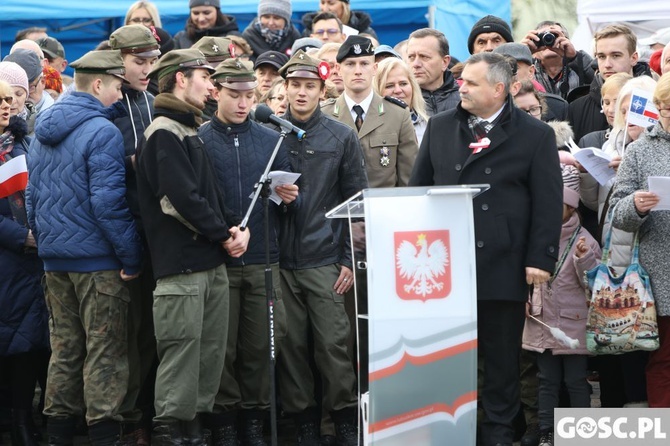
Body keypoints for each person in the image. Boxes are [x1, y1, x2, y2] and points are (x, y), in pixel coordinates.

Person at [409, 52, 563, 446]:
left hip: (504, 263)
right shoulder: (441, 128)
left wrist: (539, 259)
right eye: (461, 81)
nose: (461, 87)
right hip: (446, 265)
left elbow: (548, 201)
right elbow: (417, 191)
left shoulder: (535, 134)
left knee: (500, 361)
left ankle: (496, 435)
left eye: (471, 83)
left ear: (499, 89)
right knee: (448, 356)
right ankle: (452, 431)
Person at [25, 49, 143, 446]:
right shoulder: (102, 132)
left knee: (65, 350)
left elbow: (31, 200)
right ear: (98, 84)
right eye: (115, 87)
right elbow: (108, 204)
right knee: (105, 352)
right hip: (98, 263)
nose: (118, 96)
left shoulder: (42, 127)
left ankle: (57, 434)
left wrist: (45, 244)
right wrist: (131, 256)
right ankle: (104, 435)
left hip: (54, 260)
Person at [135, 48, 249, 444]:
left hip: (208, 263)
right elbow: (179, 199)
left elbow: (204, 195)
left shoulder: (186, 128)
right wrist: (224, 234)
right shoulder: (164, 131)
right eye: (205, 76)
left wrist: (228, 232)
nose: (210, 85)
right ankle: (172, 432)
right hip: (181, 268)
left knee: (209, 356)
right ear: (181, 78)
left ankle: (194, 431)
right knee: (183, 355)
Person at [198, 57, 297, 446]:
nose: (242, 103)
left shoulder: (272, 141)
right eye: (234, 94)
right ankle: (224, 423)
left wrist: (289, 198)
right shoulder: (200, 139)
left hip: (262, 261)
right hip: (217, 260)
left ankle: (254, 422)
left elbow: (287, 204)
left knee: (261, 347)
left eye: (248, 95)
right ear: (217, 92)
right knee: (220, 350)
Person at [275, 49, 368, 446]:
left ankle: (346, 423)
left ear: (321, 89)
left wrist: (348, 258)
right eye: (294, 85)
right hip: (279, 260)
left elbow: (356, 203)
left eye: (308, 86)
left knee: (333, 345)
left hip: (325, 257)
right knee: (292, 348)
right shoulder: (269, 133)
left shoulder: (341, 135)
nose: (300, 92)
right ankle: (305, 425)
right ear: (285, 88)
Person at [108, 23, 162, 443]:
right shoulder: (107, 104)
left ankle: (145, 414)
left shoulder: (150, 100)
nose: (147, 69)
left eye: (151, 61)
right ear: (118, 61)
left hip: (153, 232)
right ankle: (127, 420)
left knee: (151, 333)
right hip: (120, 235)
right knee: (125, 336)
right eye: (138, 62)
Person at [522, 165, 601, 446]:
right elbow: (527, 276)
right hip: (543, 322)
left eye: (561, 204)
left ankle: (580, 431)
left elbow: (593, 282)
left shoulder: (584, 239)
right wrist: (525, 298)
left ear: (571, 206)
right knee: (546, 380)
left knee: (577, 381)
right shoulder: (536, 235)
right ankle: (546, 429)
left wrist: (583, 259)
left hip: (574, 322)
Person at [608, 73, 670, 408]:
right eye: (669, 109)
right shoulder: (639, 150)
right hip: (661, 272)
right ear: (657, 108)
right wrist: (636, 205)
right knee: (663, 362)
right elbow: (618, 211)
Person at [0, 79, 49, 446]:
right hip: (8, 257)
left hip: (32, 262)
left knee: (30, 342)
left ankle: (26, 419)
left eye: (9, 98)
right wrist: (20, 237)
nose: (5, 105)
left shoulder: (25, 142)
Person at [322, 35, 419, 188]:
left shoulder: (398, 115)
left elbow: (409, 179)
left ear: (374, 68)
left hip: (384, 208)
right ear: (339, 70)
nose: (358, 71)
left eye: (364, 63)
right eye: (350, 64)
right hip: (339, 209)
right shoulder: (324, 115)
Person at [568, 24, 652, 142]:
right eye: (601, 56)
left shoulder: (655, 101)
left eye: (616, 55)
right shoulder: (577, 108)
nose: (607, 64)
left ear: (633, 58)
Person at [521, 21, 594, 100]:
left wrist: (575, 57)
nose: (548, 42)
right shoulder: (525, 70)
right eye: (542, 37)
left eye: (555, 36)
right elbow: (507, 83)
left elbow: (602, 81)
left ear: (567, 42)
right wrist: (519, 54)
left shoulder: (580, 67)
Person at [374, 57, 429, 144]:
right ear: (377, 90)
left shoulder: (429, 125)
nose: (398, 90)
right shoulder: (369, 127)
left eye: (403, 84)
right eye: (389, 86)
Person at [405, 28, 459, 116]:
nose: (416, 64)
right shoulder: (400, 101)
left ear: (445, 62)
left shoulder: (466, 99)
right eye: (411, 57)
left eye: (424, 57)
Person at [173, 0, 240, 49]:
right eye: (196, 13)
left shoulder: (233, 37)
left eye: (206, 13)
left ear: (217, 12)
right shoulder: (181, 38)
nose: (201, 19)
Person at [301, 0, 376, 39]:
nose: (325, 8)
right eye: (322, 3)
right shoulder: (309, 30)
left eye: (331, 3)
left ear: (344, 5)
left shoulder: (364, 31)